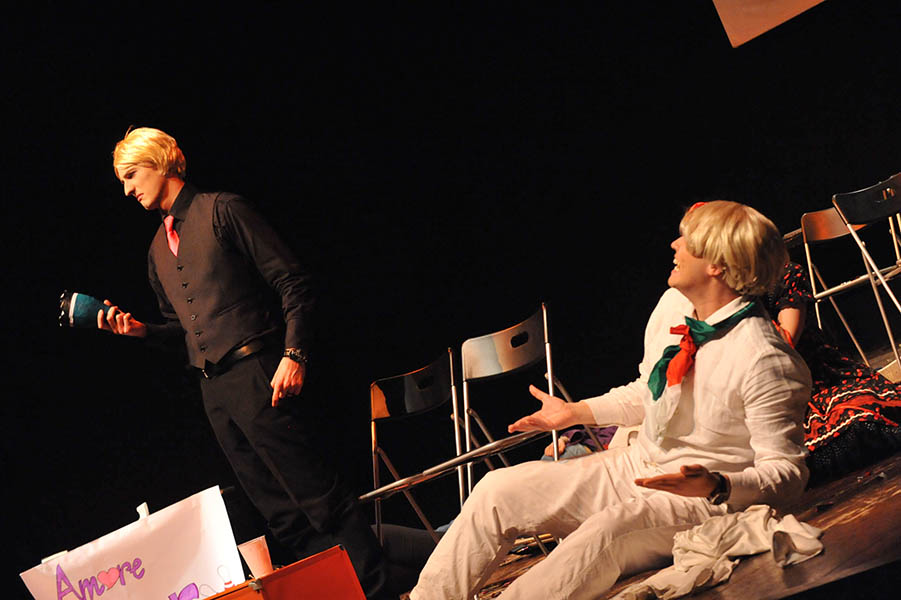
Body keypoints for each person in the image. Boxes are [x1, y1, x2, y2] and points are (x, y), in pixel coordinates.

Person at [409, 201, 812, 600]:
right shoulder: (673, 307)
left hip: (702, 501)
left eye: (687, 240)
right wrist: (575, 412)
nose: (674, 245)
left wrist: (716, 483)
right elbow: (648, 392)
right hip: (637, 464)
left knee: (604, 532)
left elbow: (787, 477)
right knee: (498, 489)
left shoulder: (764, 358)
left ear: (717, 266)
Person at [98, 127, 393, 599]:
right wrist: (142, 332)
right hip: (215, 392)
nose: (127, 190)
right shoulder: (156, 250)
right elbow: (181, 329)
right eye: (122, 181)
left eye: (131, 175)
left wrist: (294, 354)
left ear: (160, 161)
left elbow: (293, 283)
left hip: (258, 372)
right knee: (280, 514)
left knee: (317, 496)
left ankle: (380, 591)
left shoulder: (222, 210)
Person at [764, 262, 901, 486]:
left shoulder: (780, 276)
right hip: (767, 397)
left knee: (856, 424)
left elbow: (784, 345)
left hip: (817, 379)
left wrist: (742, 311)